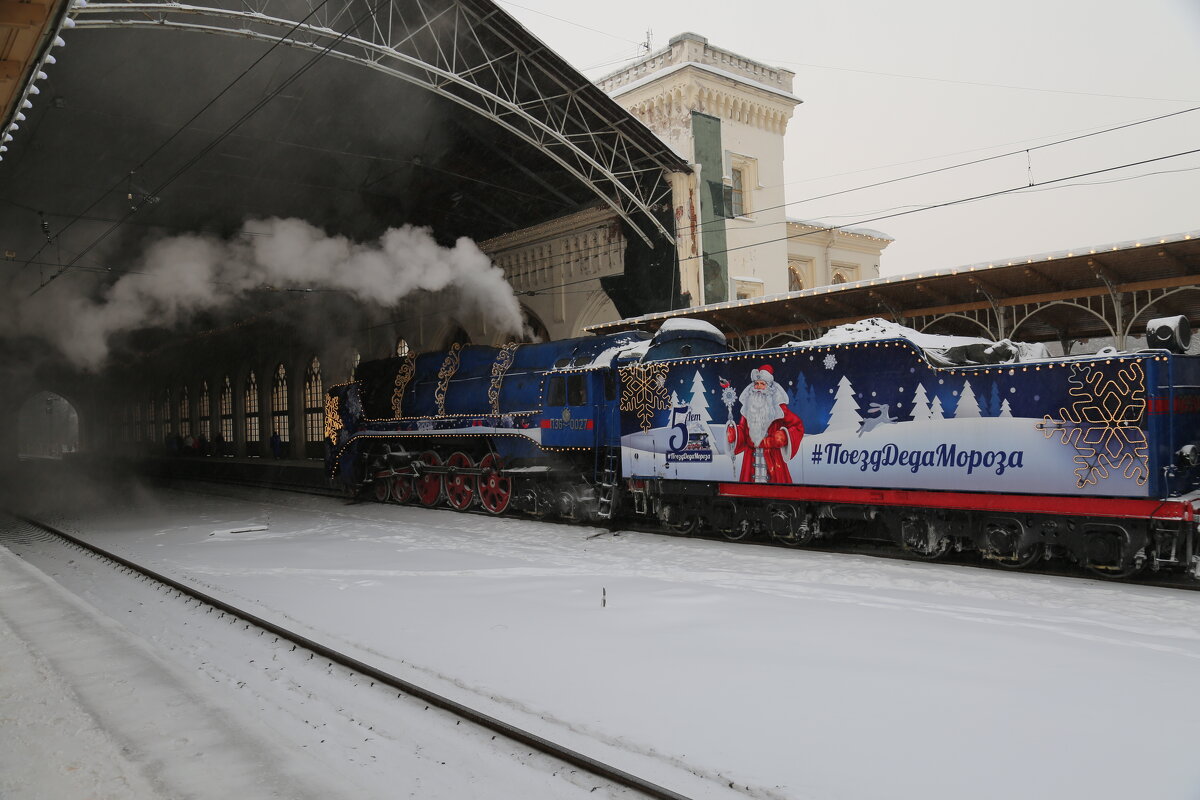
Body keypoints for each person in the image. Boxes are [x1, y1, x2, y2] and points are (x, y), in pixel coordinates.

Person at [726, 364, 803, 484]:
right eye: (756, 384)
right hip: (751, 458)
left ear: (769, 387)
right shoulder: (749, 409)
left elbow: (797, 426)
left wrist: (784, 436)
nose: (758, 387)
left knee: (776, 489)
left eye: (762, 384)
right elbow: (743, 431)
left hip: (773, 458)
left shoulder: (779, 409)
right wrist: (735, 434)